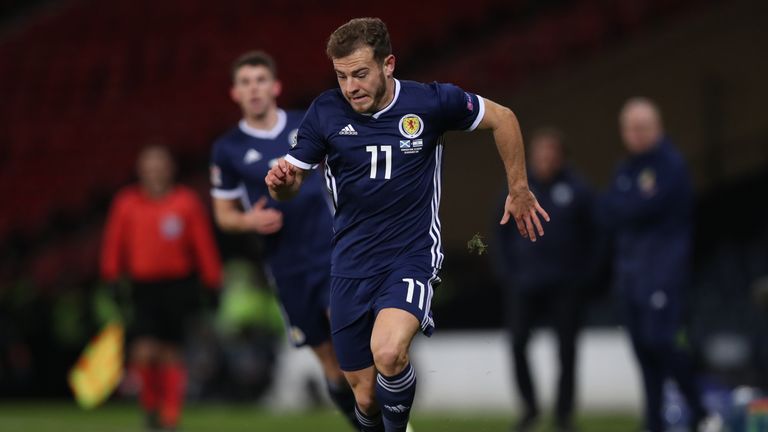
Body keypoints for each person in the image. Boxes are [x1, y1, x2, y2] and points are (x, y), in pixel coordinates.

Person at [265, 18, 549, 432]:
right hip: (348, 265)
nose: (351, 86)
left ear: (388, 64)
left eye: (360, 74)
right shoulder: (325, 111)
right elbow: (289, 184)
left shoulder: (430, 103)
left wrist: (519, 188)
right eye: (342, 76)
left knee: (390, 351)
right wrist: (282, 185)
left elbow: (503, 118)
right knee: (364, 394)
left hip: (410, 256)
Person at [209, 51, 358, 427]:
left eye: (260, 80)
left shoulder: (306, 124)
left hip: (330, 252)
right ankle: (365, 424)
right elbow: (224, 216)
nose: (254, 88)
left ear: (275, 86)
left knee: (348, 342)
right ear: (235, 93)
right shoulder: (228, 150)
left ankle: (392, 421)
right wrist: (249, 220)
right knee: (330, 364)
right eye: (246, 82)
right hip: (285, 265)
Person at [599, 98, 721, 432]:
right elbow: (610, 212)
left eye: (642, 127)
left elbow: (632, 209)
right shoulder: (625, 168)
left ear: (658, 127)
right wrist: (625, 205)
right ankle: (654, 422)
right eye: (630, 128)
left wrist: (624, 205)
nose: (636, 134)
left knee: (661, 342)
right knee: (643, 353)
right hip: (630, 274)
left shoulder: (671, 165)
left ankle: (698, 408)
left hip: (663, 272)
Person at [101, 145, 222, 431]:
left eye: (160, 165)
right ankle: (149, 406)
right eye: (149, 165)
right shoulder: (127, 202)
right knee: (144, 350)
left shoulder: (186, 202)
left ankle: (169, 414)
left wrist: (212, 281)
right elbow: (114, 243)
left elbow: (203, 245)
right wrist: (111, 277)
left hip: (178, 285)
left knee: (171, 351)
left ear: (171, 169)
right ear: (141, 170)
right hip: (143, 286)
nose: (155, 171)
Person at [495, 128, 594, 432]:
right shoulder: (517, 189)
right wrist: (507, 273)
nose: (545, 159)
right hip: (524, 284)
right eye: (539, 153)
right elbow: (496, 234)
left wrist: (585, 275)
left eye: (551, 153)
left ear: (561, 156)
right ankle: (530, 408)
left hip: (565, 285)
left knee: (567, 350)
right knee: (517, 344)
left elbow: (597, 236)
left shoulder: (579, 190)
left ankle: (564, 415)